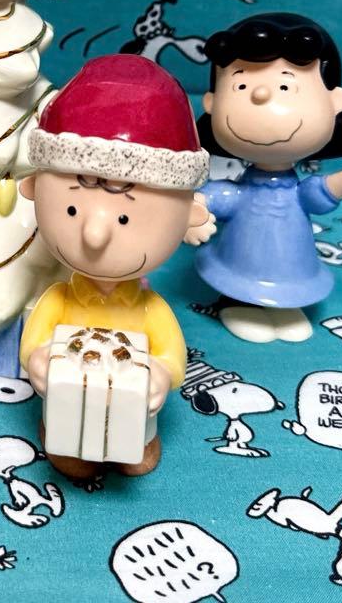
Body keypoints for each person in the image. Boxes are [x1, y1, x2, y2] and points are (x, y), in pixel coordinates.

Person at [18, 54, 209, 480]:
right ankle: (67, 448)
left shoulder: (150, 309)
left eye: (124, 217)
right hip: (68, 417)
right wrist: (39, 360)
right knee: (69, 446)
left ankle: (136, 446)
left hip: (133, 418)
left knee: (135, 449)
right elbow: (34, 342)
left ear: (189, 216)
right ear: (33, 190)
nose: (94, 234)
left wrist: (161, 373)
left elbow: (171, 354)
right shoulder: (58, 299)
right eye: (71, 209)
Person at [188, 13, 342, 343]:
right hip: (236, 265)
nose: (262, 95)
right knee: (241, 284)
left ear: (334, 102)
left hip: (296, 268)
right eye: (240, 86)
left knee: (290, 293)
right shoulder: (241, 190)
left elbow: (316, 195)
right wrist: (194, 210)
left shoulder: (296, 189)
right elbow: (220, 197)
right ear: (211, 103)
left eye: (284, 86)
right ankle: (238, 305)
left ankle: (283, 306)